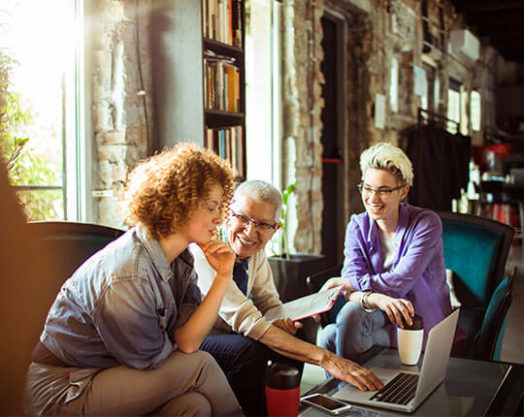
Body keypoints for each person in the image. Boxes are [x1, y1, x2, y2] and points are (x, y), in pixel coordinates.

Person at [25, 143, 243, 416]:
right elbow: (156, 360)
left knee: (194, 406)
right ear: (180, 203)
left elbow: (188, 342)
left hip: (111, 375)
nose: (219, 219)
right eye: (212, 207)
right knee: (202, 366)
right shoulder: (128, 274)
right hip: (65, 389)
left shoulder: (181, 260)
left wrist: (223, 276)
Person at [191, 180, 383, 416]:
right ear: (229, 213)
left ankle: (285, 412)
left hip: (233, 330)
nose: (250, 232)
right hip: (197, 338)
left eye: (262, 224)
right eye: (243, 218)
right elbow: (246, 320)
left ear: (275, 229)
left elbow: (270, 303)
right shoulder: (206, 250)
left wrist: (282, 320)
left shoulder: (255, 251)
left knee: (296, 334)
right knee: (249, 350)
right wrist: (327, 359)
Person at [318, 142, 452, 362]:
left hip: (417, 319)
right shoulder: (357, 226)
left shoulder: (426, 223)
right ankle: (354, 393)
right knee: (331, 333)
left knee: (331, 336)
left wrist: (348, 283)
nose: (372, 198)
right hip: (379, 311)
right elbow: (350, 292)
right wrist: (377, 299)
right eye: (367, 188)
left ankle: (346, 394)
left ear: (404, 191)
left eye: (383, 190)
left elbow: (399, 282)